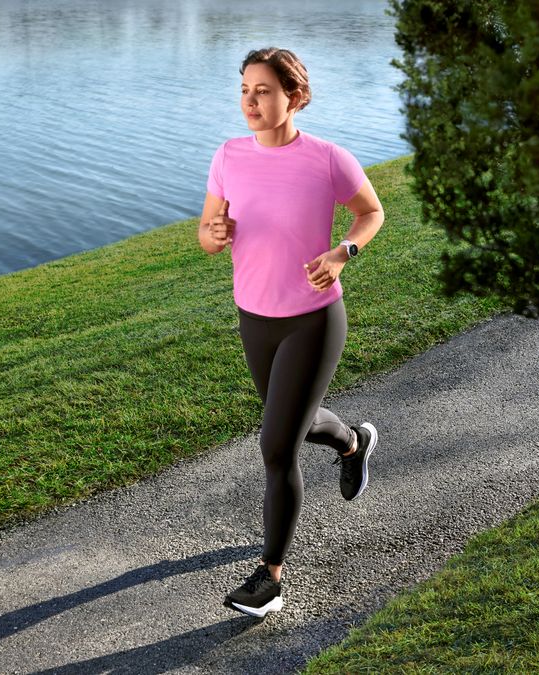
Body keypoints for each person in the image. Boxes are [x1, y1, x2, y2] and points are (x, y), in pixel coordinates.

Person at [198, 47, 385, 618]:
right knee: (295, 424)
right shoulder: (229, 156)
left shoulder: (328, 159)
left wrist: (343, 251)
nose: (250, 101)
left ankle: (270, 580)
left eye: (263, 90)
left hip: (312, 318)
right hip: (254, 318)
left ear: (293, 96)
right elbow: (206, 235)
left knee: (276, 447)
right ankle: (353, 442)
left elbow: (371, 212)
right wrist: (216, 231)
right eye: (245, 90)